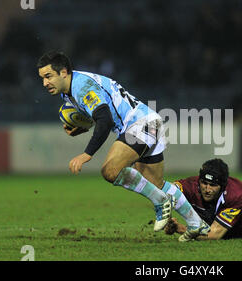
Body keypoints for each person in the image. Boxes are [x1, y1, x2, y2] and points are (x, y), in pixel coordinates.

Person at [36, 51, 210, 240]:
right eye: (42, 78)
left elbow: (105, 120)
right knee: (155, 183)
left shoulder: (82, 86)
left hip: (141, 124)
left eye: (48, 76)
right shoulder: (69, 92)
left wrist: (87, 154)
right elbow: (100, 114)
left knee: (110, 170)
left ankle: (160, 202)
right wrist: (82, 128)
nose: (45, 83)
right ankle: (196, 223)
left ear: (63, 72)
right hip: (150, 122)